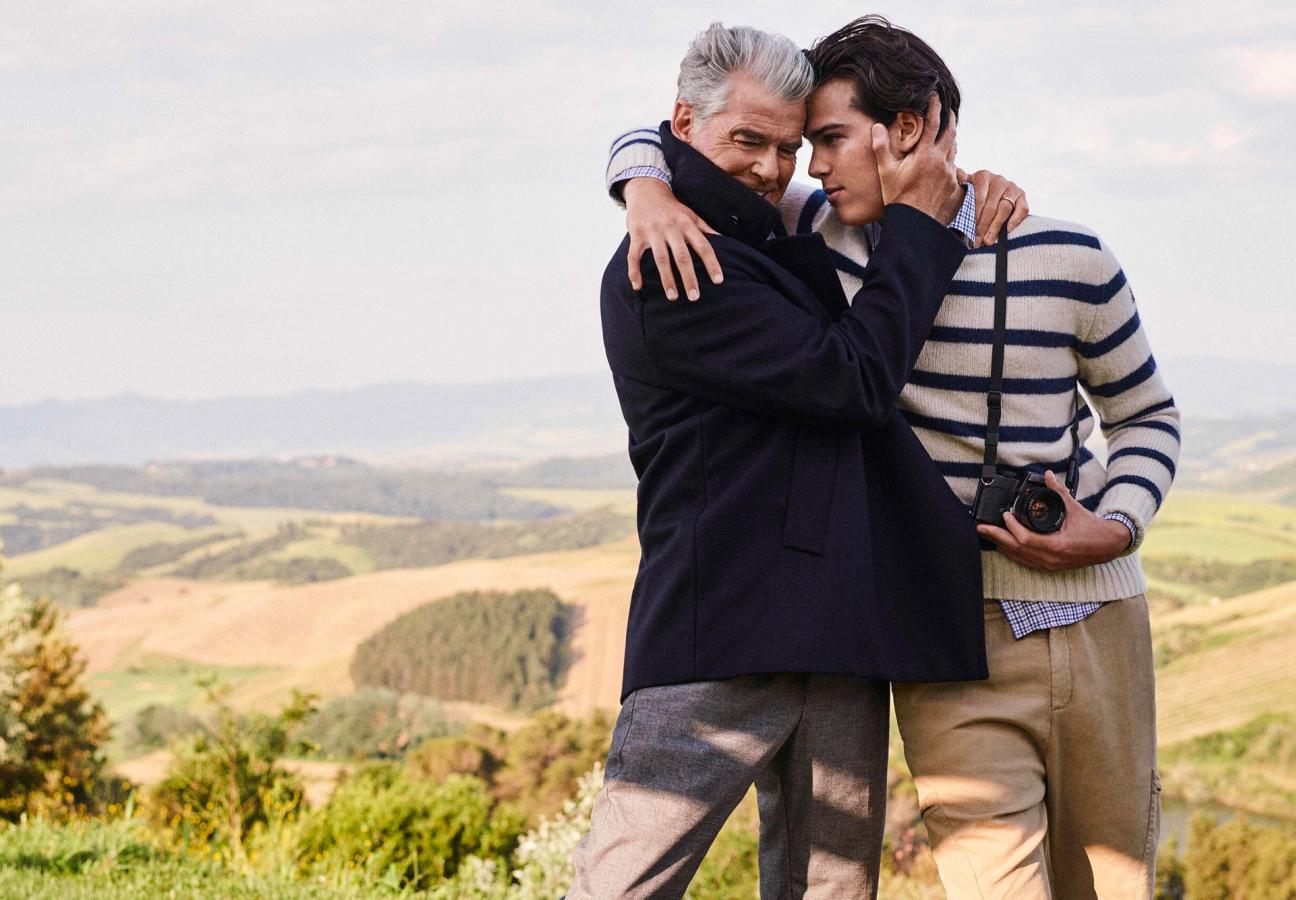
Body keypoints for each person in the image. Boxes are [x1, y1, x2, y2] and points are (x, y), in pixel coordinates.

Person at [607, 15, 1180, 899]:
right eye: (808, 145)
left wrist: (1114, 528)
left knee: (1114, 886)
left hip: (1100, 620)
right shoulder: (815, 252)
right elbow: (699, 143)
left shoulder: (1069, 255)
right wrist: (640, 180)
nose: (803, 170)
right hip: (948, 631)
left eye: (824, 141)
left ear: (906, 130)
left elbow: (1145, 414)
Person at [569, 21, 1016, 899]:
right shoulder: (673, 260)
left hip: (834, 630)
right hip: (719, 635)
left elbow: (875, 175)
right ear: (684, 124)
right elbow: (849, 380)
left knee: (832, 892)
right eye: (749, 142)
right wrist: (927, 230)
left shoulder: (765, 229)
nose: (775, 169)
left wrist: (970, 196)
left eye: (789, 145)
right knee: (620, 887)